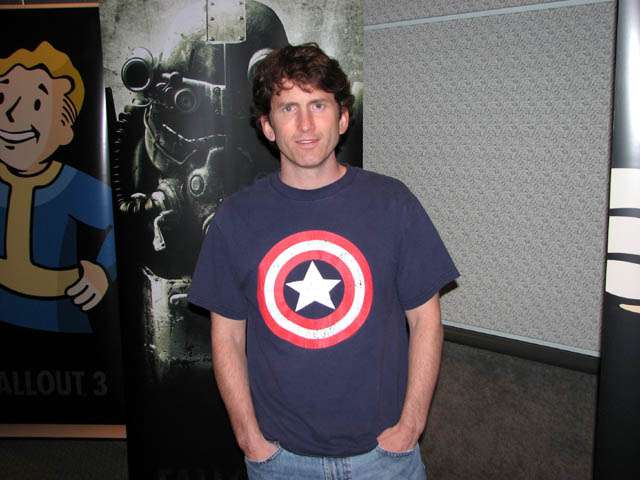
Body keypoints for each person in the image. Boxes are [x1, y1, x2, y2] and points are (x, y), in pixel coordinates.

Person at [188, 43, 459, 479]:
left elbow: (426, 319)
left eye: (318, 104)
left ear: (343, 118)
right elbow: (228, 337)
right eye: (288, 108)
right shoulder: (235, 218)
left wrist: (411, 425)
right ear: (267, 126)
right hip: (280, 460)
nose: (305, 124)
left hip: (385, 457)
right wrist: (249, 439)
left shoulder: (392, 202)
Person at [0, 41, 115, 332]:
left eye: (35, 104)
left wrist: (102, 271)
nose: (12, 115)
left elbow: (123, 224)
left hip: (61, 323)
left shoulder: (70, 184)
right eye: (3, 97)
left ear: (65, 128)